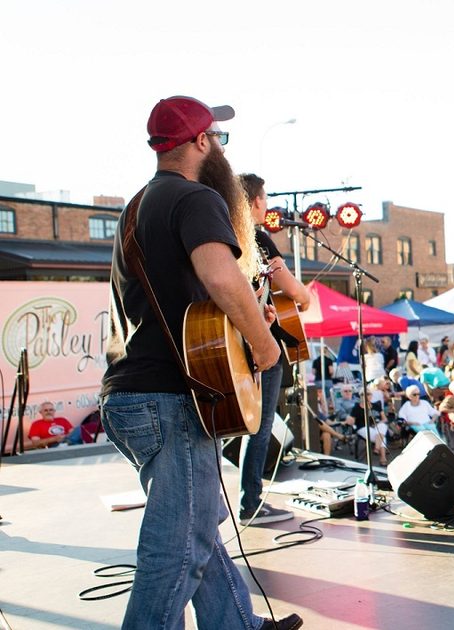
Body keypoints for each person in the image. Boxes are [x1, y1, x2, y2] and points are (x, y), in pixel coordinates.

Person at [100, 96, 301, 629]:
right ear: (200, 142)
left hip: (131, 396)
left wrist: (242, 316)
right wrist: (263, 344)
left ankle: (238, 624)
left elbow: (185, 306)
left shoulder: (138, 206)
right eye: (219, 138)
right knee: (177, 550)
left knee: (198, 526)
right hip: (168, 399)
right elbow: (219, 276)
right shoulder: (195, 197)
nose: (222, 150)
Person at [237, 172, 311, 527]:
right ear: (255, 201)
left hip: (234, 344)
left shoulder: (226, 236)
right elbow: (292, 289)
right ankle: (251, 502)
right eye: (264, 198)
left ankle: (240, 500)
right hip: (262, 345)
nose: (266, 205)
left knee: (243, 423)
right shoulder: (257, 239)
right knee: (260, 425)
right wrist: (305, 298)